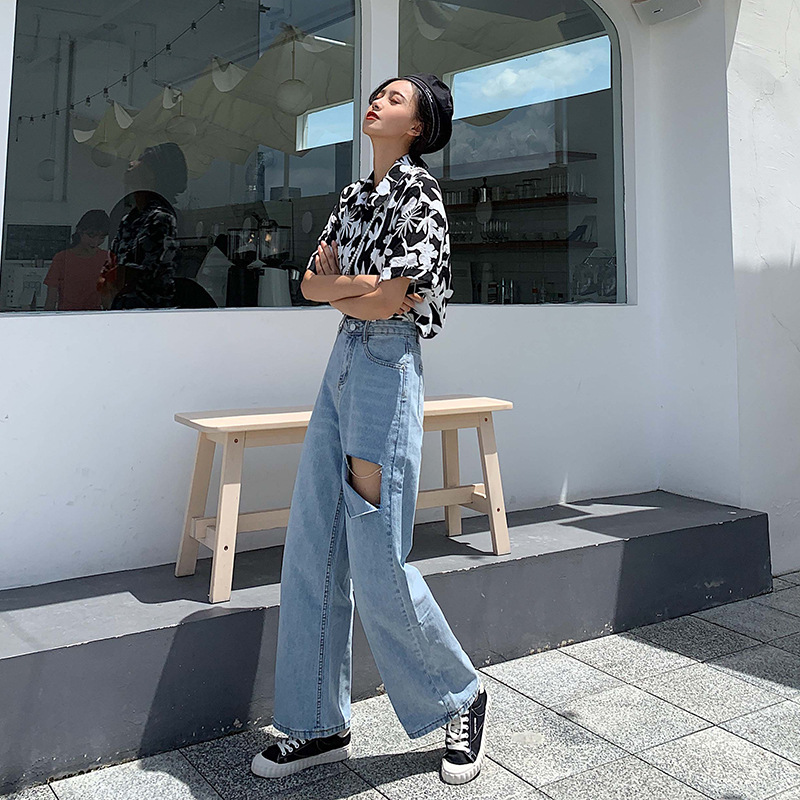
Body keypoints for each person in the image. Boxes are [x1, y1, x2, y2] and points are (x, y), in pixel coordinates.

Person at [250, 73, 489, 787]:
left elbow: (391, 301)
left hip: (386, 362)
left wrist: (347, 288)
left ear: (418, 127)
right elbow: (309, 285)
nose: (378, 101)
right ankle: (315, 723)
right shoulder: (355, 196)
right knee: (313, 542)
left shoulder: (421, 194)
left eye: (395, 98)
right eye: (377, 93)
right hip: (345, 359)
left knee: (374, 545)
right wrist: (352, 289)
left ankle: (459, 695)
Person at [97, 142, 187, 309]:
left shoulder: (161, 218)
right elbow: (112, 266)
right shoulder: (128, 218)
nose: (132, 163)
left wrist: (114, 279)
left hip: (147, 314)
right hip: (122, 310)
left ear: (153, 173)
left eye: (141, 160)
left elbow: (146, 274)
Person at [43, 209, 110, 311]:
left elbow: (108, 299)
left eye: (101, 237)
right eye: (91, 236)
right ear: (80, 231)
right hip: (67, 317)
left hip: (95, 317)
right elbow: (51, 300)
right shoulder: (61, 258)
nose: (95, 242)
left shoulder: (106, 258)